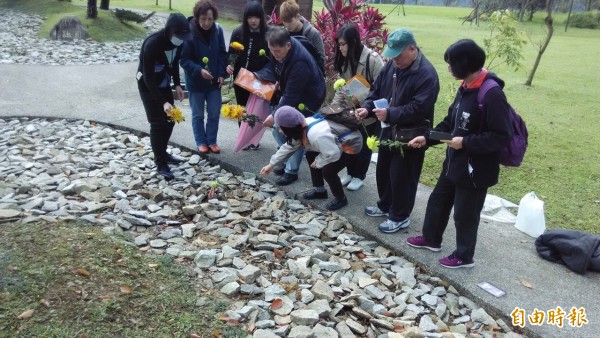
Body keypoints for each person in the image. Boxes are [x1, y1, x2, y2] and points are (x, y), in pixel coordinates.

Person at [405, 39, 512, 268]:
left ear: (465, 63)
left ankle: (464, 256)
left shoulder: (491, 94)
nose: (448, 68)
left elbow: (501, 135)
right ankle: (431, 239)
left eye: (451, 63)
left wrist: (465, 142)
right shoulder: (465, 87)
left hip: (475, 169)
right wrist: (428, 137)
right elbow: (450, 122)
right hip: (454, 162)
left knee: (465, 214)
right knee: (438, 201)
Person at [356, 28, 440, 233]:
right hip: (387, 129)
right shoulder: (391, 67)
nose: (394, 59)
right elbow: (376, 89)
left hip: (411, 135)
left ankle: (400, 216)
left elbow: (419, 108)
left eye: (398, 55)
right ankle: (385, 205)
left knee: (403, 175)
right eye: (391, 55)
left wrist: (390, 114)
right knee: (384, 170)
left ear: (412, 49)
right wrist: (367, 108)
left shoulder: (427, 74)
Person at [255, 27, 326, 186]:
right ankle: (286, 161)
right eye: (271, 50)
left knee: (295, 133)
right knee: (279, 131)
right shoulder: (279, 50)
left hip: (309, 98)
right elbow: (278, 70)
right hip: (294, 93)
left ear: (288, 45)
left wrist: (273, 116)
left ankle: (291, 171)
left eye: (277, 51)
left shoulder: (299, 62)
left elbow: (291, 97)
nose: (274, 54)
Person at [260, 106, 362, 210]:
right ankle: (320, 191)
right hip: (333, 143)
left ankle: (341, 199)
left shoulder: (317, 134)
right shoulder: (301, 125)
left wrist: (318, 162)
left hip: (351, 145)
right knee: (310, 154)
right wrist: (271, 164)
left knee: (328, 171)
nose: (280, 130)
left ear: (289, 127)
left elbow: (333, 154)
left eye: (281, 127)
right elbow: (289, 147)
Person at [136, 13, 192, 181]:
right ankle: (160, 162)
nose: (181, 39)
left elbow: (174, 63)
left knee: (171, 119)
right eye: (178, 36)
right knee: (157, 123)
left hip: (164, 81)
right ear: (169, 31)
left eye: (183, 36)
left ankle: (163, 152)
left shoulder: (179, 43)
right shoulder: (152, 44)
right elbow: (147, 76)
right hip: (148, 84)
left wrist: (177, 84)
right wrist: (162, 102)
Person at [332, 24, 384, 191]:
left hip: (370, 112)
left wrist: (357, 93)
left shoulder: (373, 60)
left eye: (342, 44)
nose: (340, 48)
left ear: (353, 42)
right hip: (350, 111)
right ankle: (349, 172)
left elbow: (383, 89)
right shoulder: (345, 60)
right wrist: (334, 109)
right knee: (349, 141)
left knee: (364, 144)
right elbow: (342, 88)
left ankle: (359, 176)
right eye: (338, 45)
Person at [180, 0, 227, 155]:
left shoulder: (218, 31)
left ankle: (212, 141)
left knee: (214, 112)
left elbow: (222, 53)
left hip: (213, 81)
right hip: (196, 82)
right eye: (203, 19)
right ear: (197, 18)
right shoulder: (189, 33)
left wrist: (221, 73)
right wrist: (199, 71)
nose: (207, 23)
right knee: (198, 114)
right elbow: (184, 59)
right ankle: (201, 141)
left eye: (210, 19)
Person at [226, 1, 270, 151]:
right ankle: (243, 136)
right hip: (241, 77)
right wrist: (229, 65)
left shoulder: (267, 33)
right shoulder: (238, 32)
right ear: (245, 18)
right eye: (250, 17)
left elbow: (272, 57)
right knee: (242, 108)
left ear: (261, 18)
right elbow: (231, 53)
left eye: (256, 17)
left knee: (257, 110)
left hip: (259, 78)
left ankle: (254, 139)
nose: (253, 20)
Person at [278, 0, 325, 69]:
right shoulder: (284, 34)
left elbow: (321, 60)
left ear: (298, 17)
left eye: (290, 21)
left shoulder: (313, 33)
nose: (287, 25)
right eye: (284, 22)